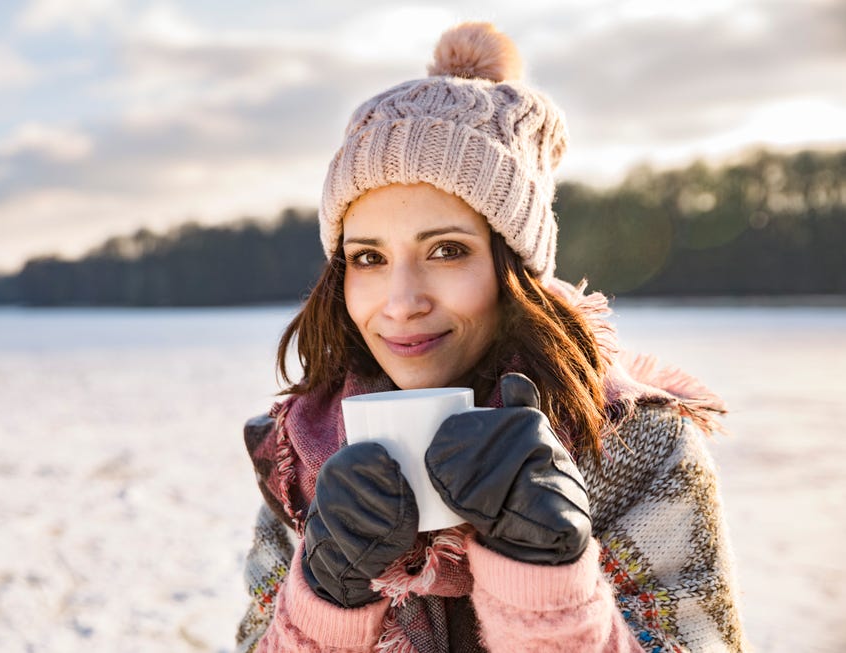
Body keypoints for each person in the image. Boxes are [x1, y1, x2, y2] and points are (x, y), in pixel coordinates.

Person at [235, 22, 747, 653]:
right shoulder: (304, 463)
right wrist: (325, 603)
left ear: (515, 272)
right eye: (368, 257)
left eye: (447, 250)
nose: (401, 302)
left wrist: (545, 582)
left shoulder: (638, 446)